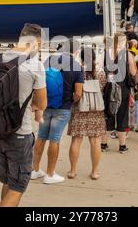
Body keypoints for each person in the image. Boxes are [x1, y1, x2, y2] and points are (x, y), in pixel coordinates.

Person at [0, 23, 47, 207]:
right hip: (20, 132)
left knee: (8, 181)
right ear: (36, 41)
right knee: (18, 185)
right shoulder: (34, 65)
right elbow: (42, 103)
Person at [31, 39, 84, 184]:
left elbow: (39, 82)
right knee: (54, 139)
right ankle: (50, 174)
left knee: (41, 136)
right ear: (76, 51)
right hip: (63, 107)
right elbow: (78, 93)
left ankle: (35, 170)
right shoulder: (76, 66)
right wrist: (71, 100)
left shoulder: (49, 60)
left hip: (45, 105)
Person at [67, 48, 106, 181]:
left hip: (79, 109)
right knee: (95, 141)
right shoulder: (100, 72)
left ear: (82, 58)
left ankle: (72, 171)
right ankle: (94, 172)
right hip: (96, 110)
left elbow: (74, 89)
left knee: (76, 140)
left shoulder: (77, 70)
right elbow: (103, 87)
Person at [101, 33, 137, 153]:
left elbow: (101, 71)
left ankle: (104, 144)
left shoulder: (106, 54)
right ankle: (122, 146)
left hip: (109, 88)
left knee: (107, 114)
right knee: (122, 116)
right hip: (123, 88)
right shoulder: (128, 55)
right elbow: (133, 72)